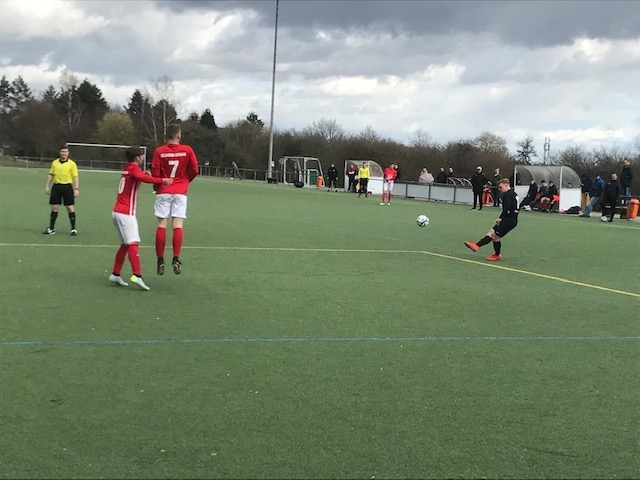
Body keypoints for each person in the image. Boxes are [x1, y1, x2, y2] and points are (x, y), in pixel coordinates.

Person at [110, 148, 174, 291]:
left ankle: (115, 274)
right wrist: (162, 180)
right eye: (141, 156)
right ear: (137, 158)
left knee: (125, 245)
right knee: (133, 243)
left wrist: (144, 174)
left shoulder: (127, 169)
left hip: (117, 212)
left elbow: (137, 177)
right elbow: (143, 178)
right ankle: (137, 275)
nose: (143, 158)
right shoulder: (134, 169)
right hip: (126, 213)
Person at [152, 123, 199, 275]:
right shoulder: (187, 150)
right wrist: (185, 181)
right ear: (179, 135)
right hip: (180, 192)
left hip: (163, 190)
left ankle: (160, 260)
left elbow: (155, 173)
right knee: (177, 225)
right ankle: (176, 258)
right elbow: (195, 169)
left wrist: (157, 186)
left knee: (161, 224)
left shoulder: (159, 151)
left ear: (167, 136)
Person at [464, 178, 518, 261]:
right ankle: (491, 252)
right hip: (511, 219)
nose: (499, 189)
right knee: (494, 235)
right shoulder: (514, 194)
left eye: (501, 187)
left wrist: (500, 218)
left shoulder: (507, 195)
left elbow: (506, 208)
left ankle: (478, 246)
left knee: (493, 235)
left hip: (509, 220)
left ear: (506, 185)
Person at [43, 144, 79, 235]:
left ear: (68, 153)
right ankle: (51, 228)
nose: (64, 153)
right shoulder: (55, 163)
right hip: (56, 187)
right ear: (59, 152)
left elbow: (75, 177)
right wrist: (47, 186)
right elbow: (51, 174)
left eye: (65, 152)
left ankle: (73, 229)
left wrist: (76, 188)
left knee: (70, 207)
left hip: (67, 187)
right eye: (62, 151)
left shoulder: (72, 164)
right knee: (54, 208)